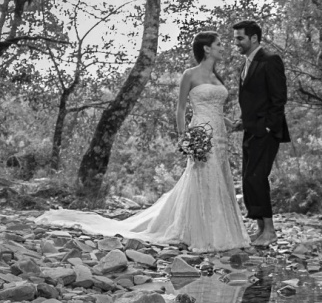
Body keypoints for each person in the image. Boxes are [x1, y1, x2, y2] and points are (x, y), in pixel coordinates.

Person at [35, 30, 250, 254]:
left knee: (219, 177)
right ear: (206, 48)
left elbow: (216, 109)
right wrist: (183, 136)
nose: (222, 47)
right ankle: (201, 234)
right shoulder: (190, 74)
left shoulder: (217, 77)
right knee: (203, 177)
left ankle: (223, 231)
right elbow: (181, 109)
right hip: (200, 133)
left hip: (220, 134)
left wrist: (232, 123)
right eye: (218, 44)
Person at [232, 19, 289, 247]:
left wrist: (267, 127)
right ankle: (261, 229)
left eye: (240, 38)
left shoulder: (270, 60)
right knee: (248, 179)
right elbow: (253, 99)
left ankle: (271, 230)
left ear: (254, 38)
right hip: (250, 129)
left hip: (266, 131)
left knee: (257, 177)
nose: (236, 42)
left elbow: (279, 98)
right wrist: (243, 121)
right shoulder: (245, 64)